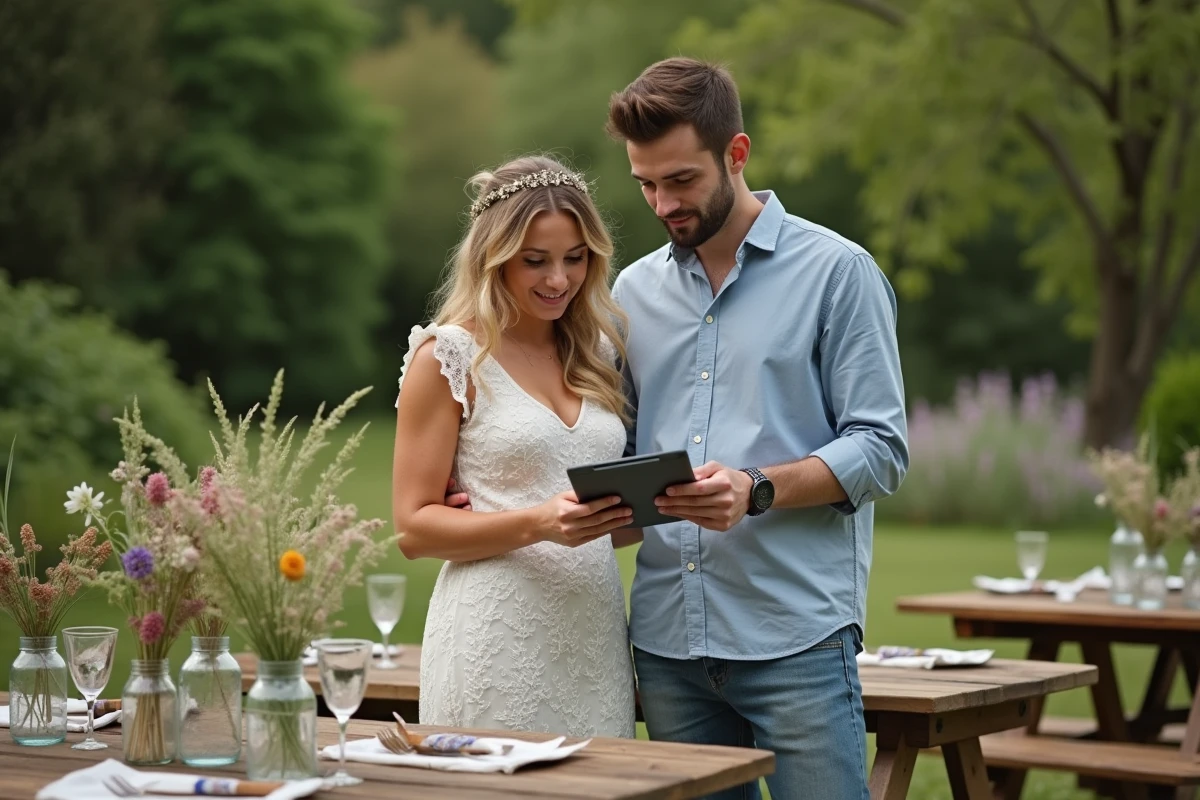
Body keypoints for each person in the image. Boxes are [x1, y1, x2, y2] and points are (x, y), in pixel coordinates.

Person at [605, 58, 909, 799]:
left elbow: (882, 448)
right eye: (645, 183)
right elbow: (614, 446)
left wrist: (757, 487)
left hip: (795, 642)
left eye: (680, 181)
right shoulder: (631, 290)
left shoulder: (839, 272)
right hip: (669, 645)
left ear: (736, 155)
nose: (661, 204)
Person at [391, 154, 638, 738]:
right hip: (494, 633)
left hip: (592, 632)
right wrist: (538, 522)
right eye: (535, 261)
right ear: (493, 259)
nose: (559, 279)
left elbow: (610, 516)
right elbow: (413, 528)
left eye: (575, 259)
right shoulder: (449, 357)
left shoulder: (598, 355)